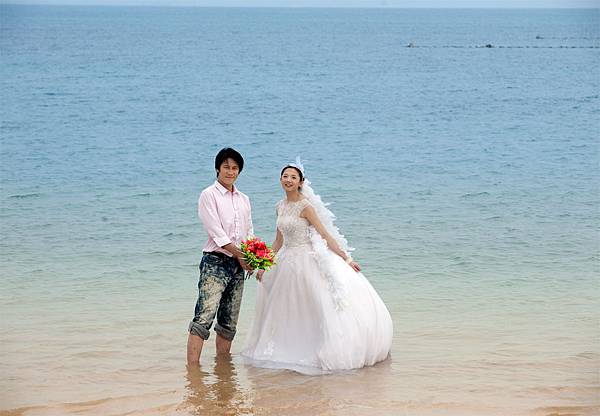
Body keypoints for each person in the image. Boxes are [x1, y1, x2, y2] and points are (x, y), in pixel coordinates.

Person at [241, 159, 393, 374]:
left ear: (301, 182)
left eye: (294, 177)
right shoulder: (280, 206)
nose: (289, 180)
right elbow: (278, 241)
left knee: (313, 306)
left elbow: (325, 235)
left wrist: (346, 259)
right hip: (286, 262)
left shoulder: (306, 207)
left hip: (306, 260)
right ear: (280, 180)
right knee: (285, 308)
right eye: (285, 176)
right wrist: (263, 265)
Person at [187, 147, 254, 365]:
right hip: (215, 262)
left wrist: (252, 258)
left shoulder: (244, 198)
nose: (230, 171)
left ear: (239, 171)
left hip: (238, 264)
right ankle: (193, 371)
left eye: (235, 168)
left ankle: (223, 370)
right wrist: (240, 255)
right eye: (226, 167)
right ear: (217, 168)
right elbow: (216, 233)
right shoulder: (209, 195)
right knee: (204, 317)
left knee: (229, 322)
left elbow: (249, 231)